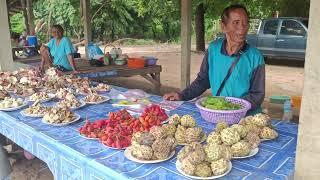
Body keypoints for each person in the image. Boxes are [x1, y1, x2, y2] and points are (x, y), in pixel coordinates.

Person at [163, 4, 265, 115]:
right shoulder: (214, 49)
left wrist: (231, 109)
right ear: (223, 26)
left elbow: (257, 95)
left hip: (246, 118)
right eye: (236, 23)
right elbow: (203, 80)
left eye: (245, 23)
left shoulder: (255, 56)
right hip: (219, 114)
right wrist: (182, 95)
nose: (242, 28)